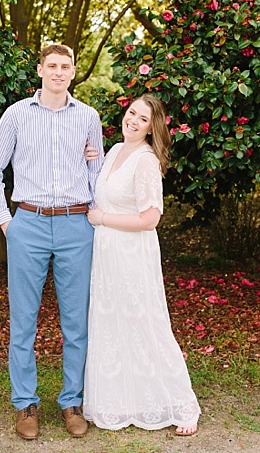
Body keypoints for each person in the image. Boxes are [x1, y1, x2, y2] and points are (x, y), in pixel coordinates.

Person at [0, 43, 104, 439]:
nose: (58, 72)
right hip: (28, 224)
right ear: (40, 70)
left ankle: (72, 401)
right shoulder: (16, 114)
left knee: (76, 322)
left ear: (73, 72)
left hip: (75, 224)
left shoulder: (88, 117)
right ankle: (25, 405)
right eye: (51, 65)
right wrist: (6, 222)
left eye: (65, 66)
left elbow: (96, 176)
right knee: (23, 322)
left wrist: (95, 214)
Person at [82, 94, 200, 436]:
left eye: (143, 118)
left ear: (152, 128)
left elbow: (150, 218)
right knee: (111, 322)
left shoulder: (147, 161)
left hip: (133, 252)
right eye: (132, 112)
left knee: (146, 322)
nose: (133, 120)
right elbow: (101, 186)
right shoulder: (116, 151)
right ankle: (119, 401)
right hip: (106, 254)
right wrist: (92, 157)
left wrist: (103, 217)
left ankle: (182, 404)